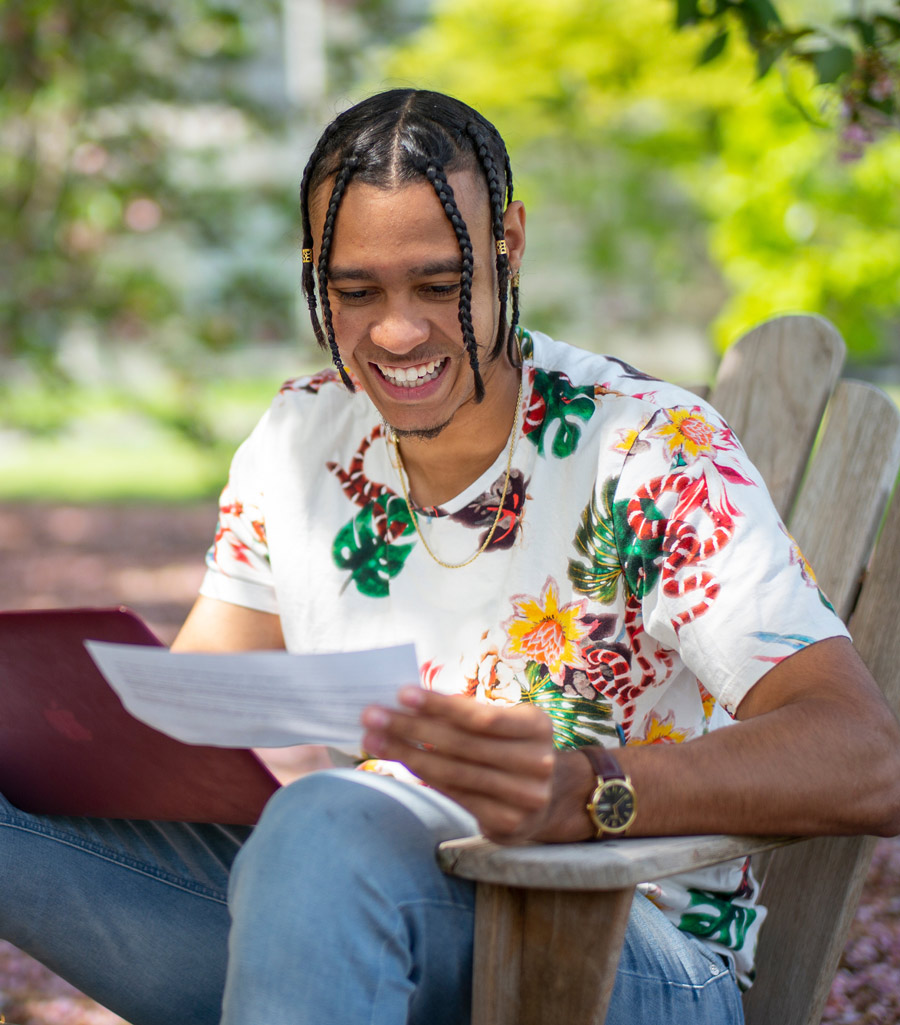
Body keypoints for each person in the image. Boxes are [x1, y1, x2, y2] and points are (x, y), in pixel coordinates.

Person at [3, 88, 900, 1025]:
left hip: (613, 942)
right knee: (321, 827)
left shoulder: (645, 450)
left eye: (438, 285)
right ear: (314, 269)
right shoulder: (300, 441)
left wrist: (587, 790)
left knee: (325, 818)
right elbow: (191, 704)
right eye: (355, 292)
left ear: (508, 243)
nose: (397, 332)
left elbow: (866, 755)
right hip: (347, 911)